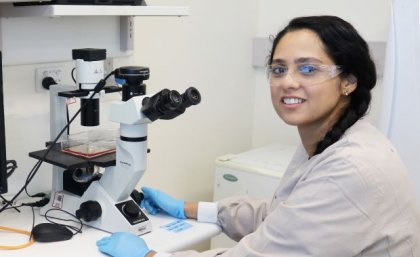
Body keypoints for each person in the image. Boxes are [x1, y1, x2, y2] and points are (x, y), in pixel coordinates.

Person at [96, 15, 420, 257]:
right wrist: (188, 208)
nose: (288, 82)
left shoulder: (350, 168)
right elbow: (281, 217)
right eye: (279, 69)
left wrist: (148, 255)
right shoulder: (332, 140)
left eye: (308, 69)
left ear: (348, 81)